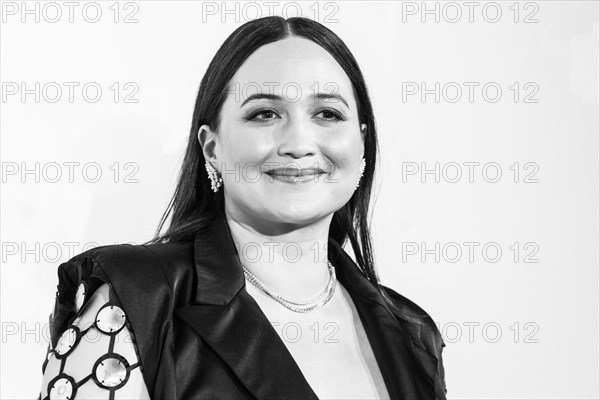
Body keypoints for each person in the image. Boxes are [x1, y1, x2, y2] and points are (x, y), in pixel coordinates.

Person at [38, 16, 447, 400]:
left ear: (360, 145)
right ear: (211, 148)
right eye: (264, 114)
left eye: (327, 113)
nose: (299, 143)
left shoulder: (411, 332)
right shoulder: (136, 302)